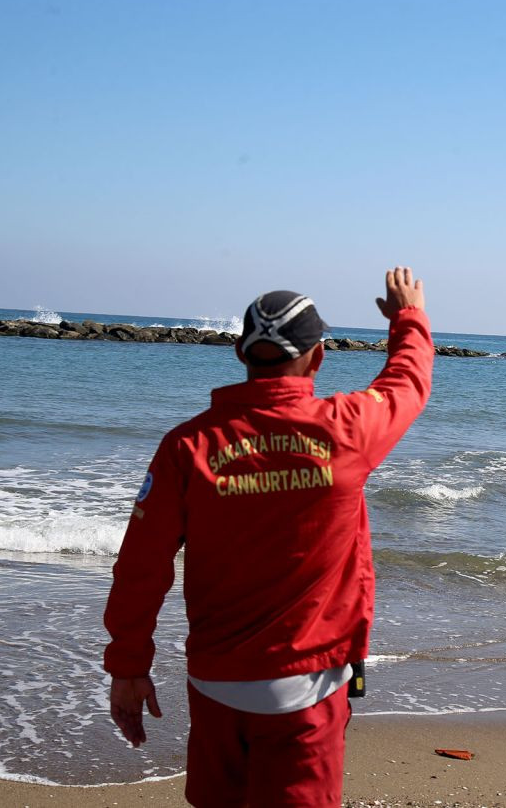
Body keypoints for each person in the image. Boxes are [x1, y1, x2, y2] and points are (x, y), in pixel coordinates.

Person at [103, 267, 433, 807]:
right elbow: (408, 381)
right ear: (318, 356)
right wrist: (409, 317)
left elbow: (141, 566)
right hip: (309, 689)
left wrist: (129, 665)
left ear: (240, 353)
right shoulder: (346, 429)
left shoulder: (187, 446)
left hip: (215, 683)